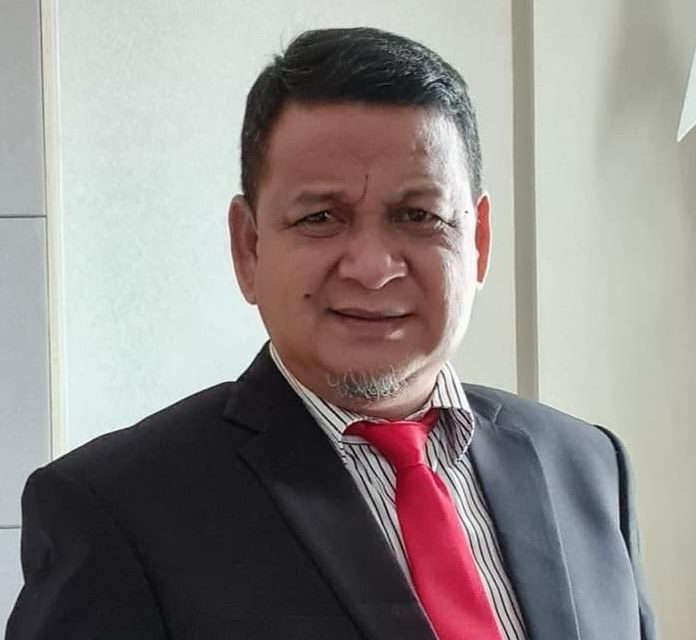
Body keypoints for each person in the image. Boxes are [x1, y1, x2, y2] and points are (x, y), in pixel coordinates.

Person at [6, 27, 655, 640]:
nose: (372, 267)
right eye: (320, 217)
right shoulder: (118, 509)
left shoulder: (587, 464)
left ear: (478, 242)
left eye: (417, 215)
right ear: (248, 246)